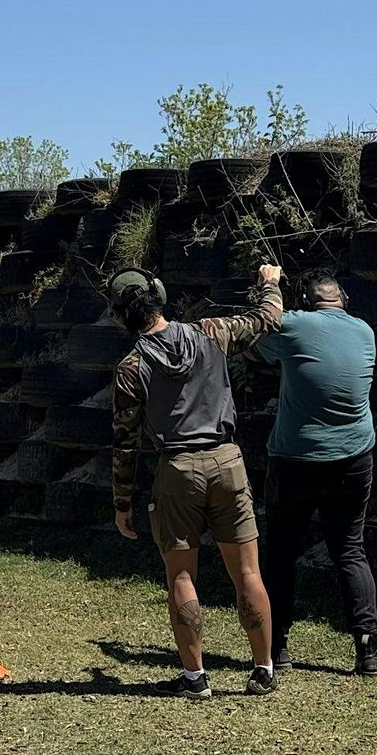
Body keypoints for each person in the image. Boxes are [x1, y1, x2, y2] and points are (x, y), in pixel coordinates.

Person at [111, 263, 284, 699]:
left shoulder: (131, 368)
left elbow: (125, 444)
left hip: (178, 471)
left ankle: (195, 678)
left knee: (181, 577)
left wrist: (122, 501)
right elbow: (267, 319)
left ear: (120, 316)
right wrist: (269, 284)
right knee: (247, 570)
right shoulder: (209, 332)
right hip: (228, 461)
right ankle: (263, 669)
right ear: (159, 294)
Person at [256, 270, 377, 677]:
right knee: (349, 549)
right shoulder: (365, 331)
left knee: (281, 553)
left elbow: (258, 331)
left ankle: (276, 645)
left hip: (297, 459)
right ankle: (366, 645)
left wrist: (268, 284)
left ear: (306, 302)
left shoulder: (294, 323)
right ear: (342, 298)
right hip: (355, 456)